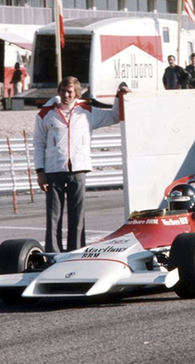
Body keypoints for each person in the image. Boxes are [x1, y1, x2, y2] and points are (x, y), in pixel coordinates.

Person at [33, 76, 130, 252]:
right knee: (53, 215)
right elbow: (38, 143)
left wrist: (119, 95)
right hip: (53, 169)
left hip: (78, 168)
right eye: (63, 90)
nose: (66, 95)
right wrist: (40, 171)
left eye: (69, 91)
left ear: (76, 93)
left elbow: (114, 116)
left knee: (77, 215)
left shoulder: (87, 111)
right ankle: (52, 252)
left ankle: (76, 250)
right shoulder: (45, 114)